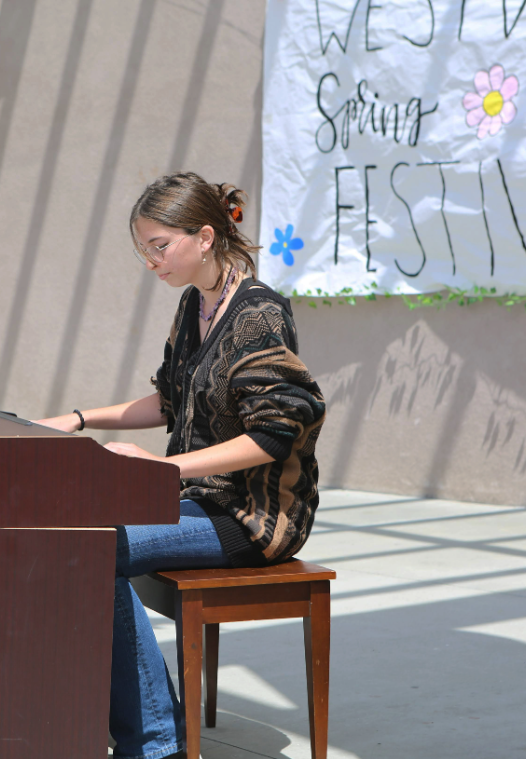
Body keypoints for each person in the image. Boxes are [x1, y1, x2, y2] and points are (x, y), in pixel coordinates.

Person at [36, 172, 326, 759]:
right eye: (144, 250)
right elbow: (169, 400)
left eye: (159, 247)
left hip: (252, 518)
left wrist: (167, 470)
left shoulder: (259, 315)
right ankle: (130, 721)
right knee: (69, 529)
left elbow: (274, 435)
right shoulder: (194, 304)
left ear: (205, 235)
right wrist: (78, 418)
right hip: (199, 501)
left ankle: (156, 742)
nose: (151, 262)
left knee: (96, 549)